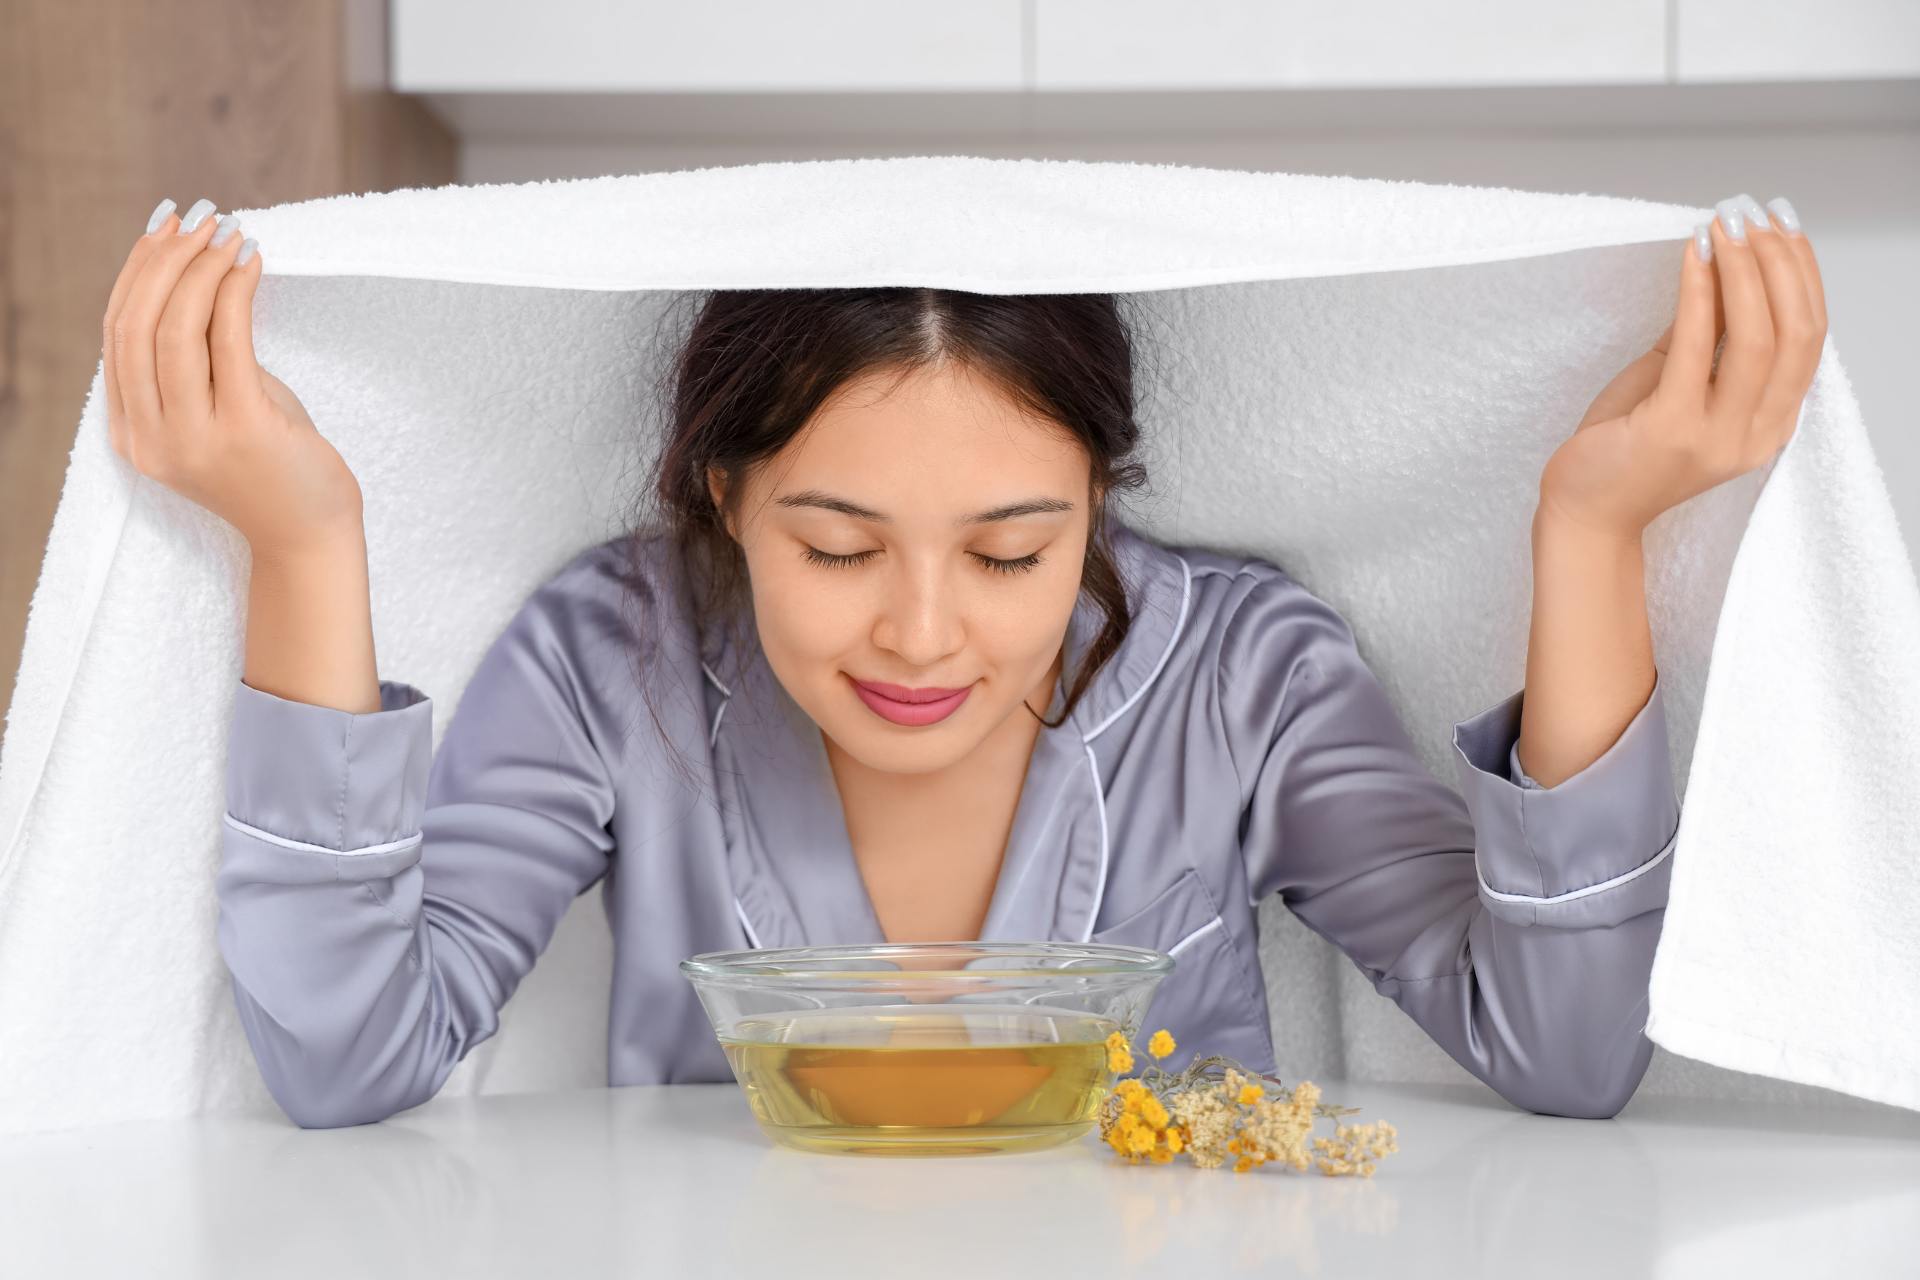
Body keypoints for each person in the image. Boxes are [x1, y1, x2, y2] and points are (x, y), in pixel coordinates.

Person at [101, 193, 1825, 1129]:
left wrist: (1591, 535)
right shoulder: (610, 658)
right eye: (835, 548)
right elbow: (347, 1059)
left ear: (1100, 507)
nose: (924, 634)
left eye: (1015, 553)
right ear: (724, 496)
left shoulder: (1239, 675)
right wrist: (308, 542)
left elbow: (1569, 1051)